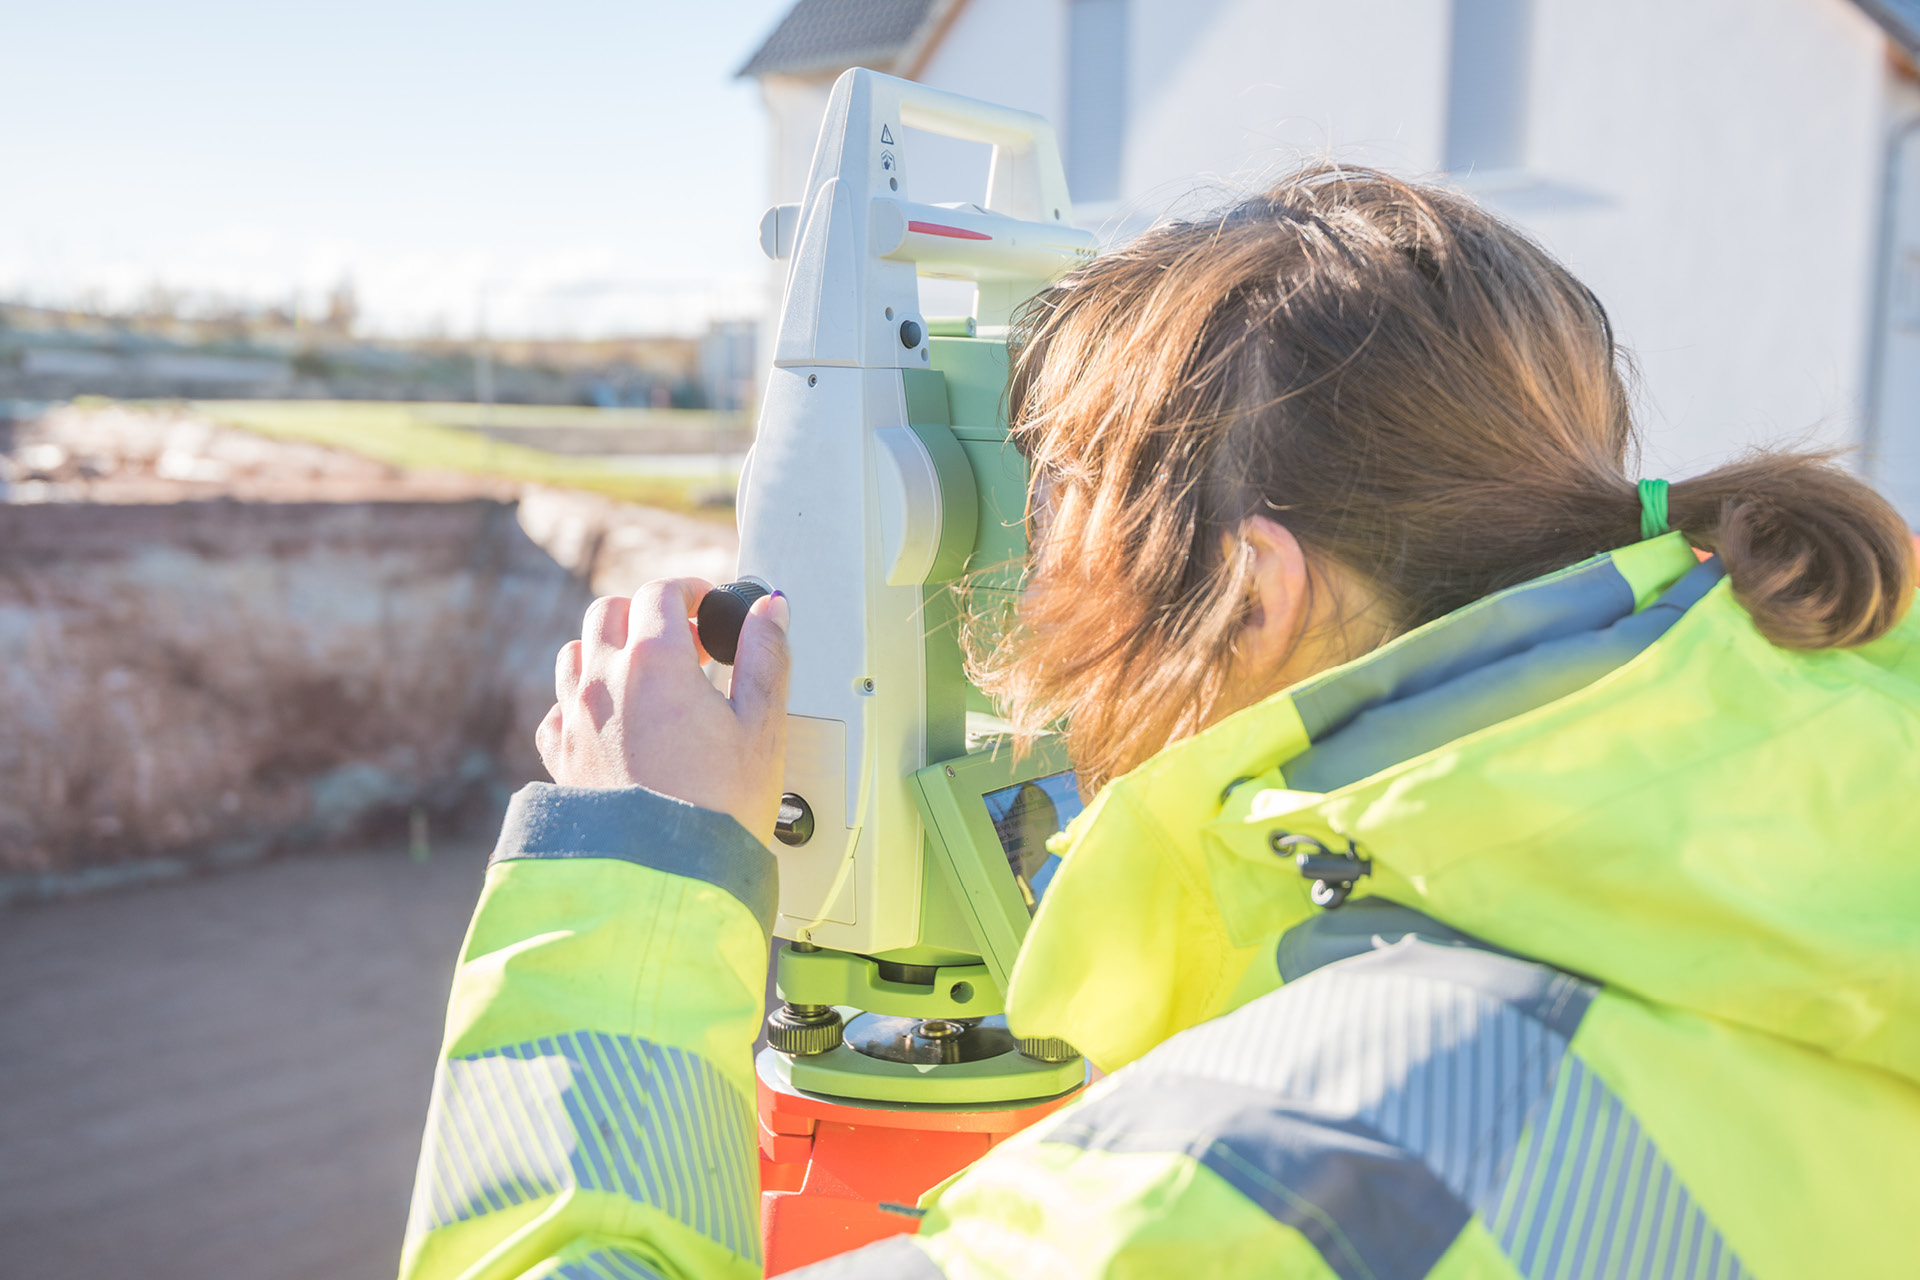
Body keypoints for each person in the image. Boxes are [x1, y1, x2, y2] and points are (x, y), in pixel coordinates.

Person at [398, 167, 1920, 1280]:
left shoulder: (1237, 1180)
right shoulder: (1821, 831)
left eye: (1061, 514)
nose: (1026, 596)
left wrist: (636, 869)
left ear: (1250, 594)